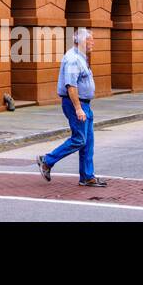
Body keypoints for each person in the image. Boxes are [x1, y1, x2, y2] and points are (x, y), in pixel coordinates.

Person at [36, 27, 107, 187]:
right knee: (79, 139)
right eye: (90, 39)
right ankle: (47, 160)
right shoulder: (73, 59)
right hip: (76, 103)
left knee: (87, 142)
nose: (93, 42)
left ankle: (87, 176)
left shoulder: (81, 57)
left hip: (84, 104)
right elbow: (71, 86)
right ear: (81, 41)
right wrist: (78, 108)